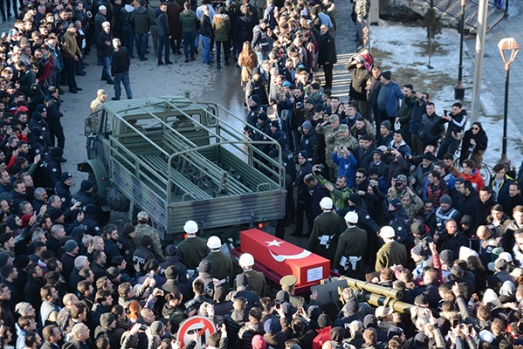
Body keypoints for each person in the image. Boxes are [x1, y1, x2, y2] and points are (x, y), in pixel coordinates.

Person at [334, 211, 367, 280]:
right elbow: (365, 249)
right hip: (359, 263)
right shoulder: (363, 233)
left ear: (346, 221)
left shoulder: (343, 236)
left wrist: (335, 266)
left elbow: (339, 253)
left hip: (347, 265)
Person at [61, 24, 83, 93]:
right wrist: (74, 55)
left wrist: (79, 52)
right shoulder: (66, 36)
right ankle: (71, 87)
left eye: (75, 30)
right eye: (73, 29)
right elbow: (66, 48)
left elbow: (76, 45)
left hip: (73, 56)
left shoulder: (73, 35)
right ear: (69, 29)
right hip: (68, 57)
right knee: (70, 73)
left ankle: (74, 85)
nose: (75, 31)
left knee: (73, 71)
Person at [318, 24, 337, 90]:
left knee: (328, 72)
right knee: (326, 71)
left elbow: (330, 50)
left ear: (327, 29)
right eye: (321, 29)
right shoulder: (322, 36)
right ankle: (327, 83)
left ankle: (329, 85)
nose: (322, 30)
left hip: (328, 59)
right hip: (324, 58)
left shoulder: (329, 37)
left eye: (323, 29)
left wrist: (327, 60)